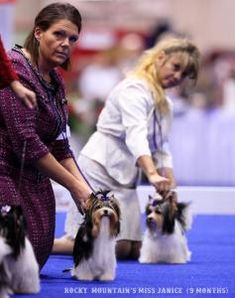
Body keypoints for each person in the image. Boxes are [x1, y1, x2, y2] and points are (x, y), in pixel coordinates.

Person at [53, 35, 200, 259]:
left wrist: (170, 179)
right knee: (103, 244)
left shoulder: (164, 102)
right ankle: (41, 244)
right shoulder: (134, 89)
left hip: (126, 177)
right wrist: (151, 173)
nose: (178, 77)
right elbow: (136, 136)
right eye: (176, 67)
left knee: (131, 249)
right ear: (160, 58)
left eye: (184, 75)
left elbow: (161, 145)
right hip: (100, 168)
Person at [0, 2, 93, 269]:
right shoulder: (15, 70)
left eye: (73, 38)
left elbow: (62, 145)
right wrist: (74, 187)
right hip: (4, 169)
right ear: (38, 33)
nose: (66, 43)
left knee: (37, 253)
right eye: (59, 34)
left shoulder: (55, 79)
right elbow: (26, 143)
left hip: (33, 176)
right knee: (15, 259)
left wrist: (86, 191)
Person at [0, 36, 36, 109]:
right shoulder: (16, 62)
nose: (65, 44)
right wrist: (14, 83)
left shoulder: (55, 73)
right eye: (57, 34)